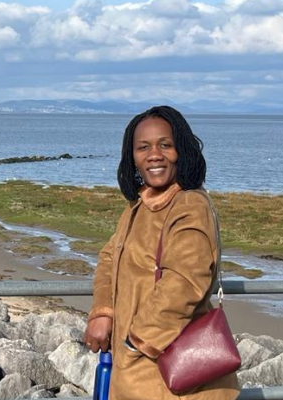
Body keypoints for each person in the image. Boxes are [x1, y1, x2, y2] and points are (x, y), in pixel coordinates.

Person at [83, 105, 239, 399]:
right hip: (138, 370)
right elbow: (108, 259)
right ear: (132, 157)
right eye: (143, 147)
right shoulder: (138, 206)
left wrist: (136, 343)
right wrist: (102, 312)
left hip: (165, 372)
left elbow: (184, 284)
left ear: (181, 151)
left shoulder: (189, 205)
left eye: (165, 145)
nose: (154, 154)